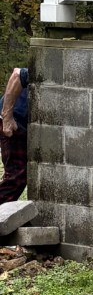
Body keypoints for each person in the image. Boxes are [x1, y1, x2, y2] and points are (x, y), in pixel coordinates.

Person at [0, 65, 28, 206]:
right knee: (16, 178)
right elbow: (17, 74)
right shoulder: (51, 69)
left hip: (27, 125)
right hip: (14, 121)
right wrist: (7, 117)